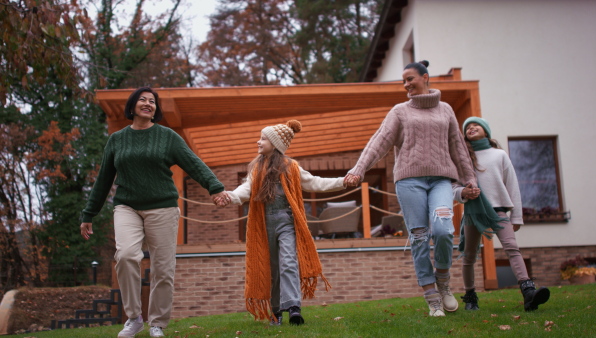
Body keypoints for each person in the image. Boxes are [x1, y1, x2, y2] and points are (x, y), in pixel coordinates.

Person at [80, 87, 230, 338]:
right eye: (143, 100)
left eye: (152, 101)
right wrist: (88, 214)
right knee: (126, 256)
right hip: (127, 206)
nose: (148, 104)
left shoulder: (167, 137)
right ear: (132, 105)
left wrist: (214, 187)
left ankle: (157, 323)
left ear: (156, 110)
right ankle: (134, 318)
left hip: (162, 207)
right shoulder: (117, 140)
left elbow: (193, 163)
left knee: (163, 267)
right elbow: (104, 179)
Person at [344, 60, 477, 317]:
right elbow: (379, 142)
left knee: (442, 230)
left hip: (441, 180)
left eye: (410, 79)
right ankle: (431, 298)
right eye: (403, 81)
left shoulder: (446, 110)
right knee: (418, 237)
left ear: (425, 78)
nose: (405, 85)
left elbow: (458, 148)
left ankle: (443, 281)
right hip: (409, 182)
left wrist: (469, 178)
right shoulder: (399, 111)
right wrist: (358, 169)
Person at [219, 120, 343, 325]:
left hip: (286, 221)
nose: (258, 142)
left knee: (288, 263)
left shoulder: (291, 167)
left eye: (263, 139)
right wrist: (230, 197)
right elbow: (245, 190)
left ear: (275, 144)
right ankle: (276, 311)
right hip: (263, 224)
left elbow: (316, 182)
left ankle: (293, 307)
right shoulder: (256, 169)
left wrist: (342, 181)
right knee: (272, 268)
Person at [454, 116, 550, 311]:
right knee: (470, 256)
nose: (471, 128)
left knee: (512, 248)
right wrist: (462, 193)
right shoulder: (462, 158)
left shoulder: (499, 155)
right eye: (467, 127)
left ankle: (528, 292)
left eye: (476, 126)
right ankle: (470, 297)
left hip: (498, 210)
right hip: (473, 212)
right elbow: (454, 187)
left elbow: (512, 185)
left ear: (486, 131)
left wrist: (517, 216)